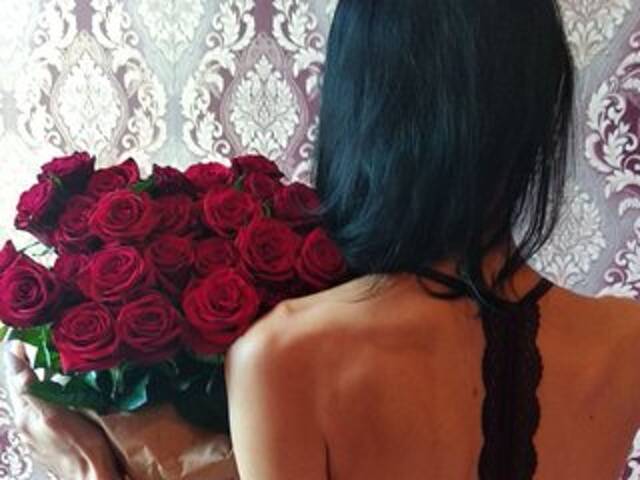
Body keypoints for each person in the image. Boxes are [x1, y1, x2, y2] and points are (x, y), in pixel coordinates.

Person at [6, 0, 640, 479]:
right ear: (540, 103)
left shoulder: (283, 354)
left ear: (362, 107)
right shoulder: (625, 338)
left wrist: (87, 467)